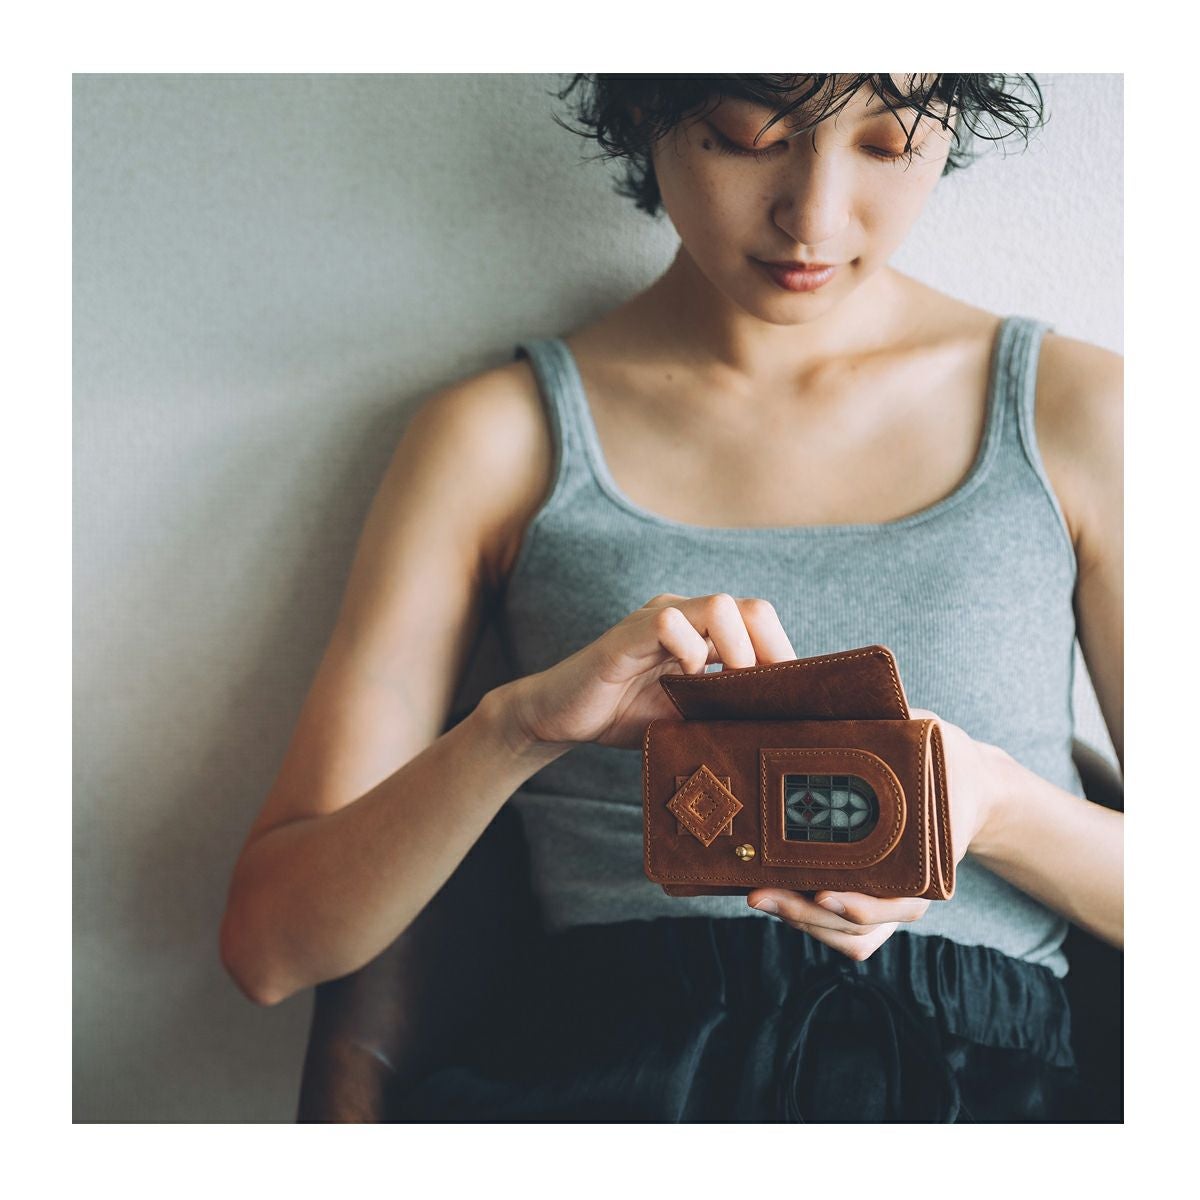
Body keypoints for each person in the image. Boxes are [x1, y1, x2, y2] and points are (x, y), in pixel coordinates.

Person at [218, 74, 1123, 1122]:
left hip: (991, 1091)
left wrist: (995, 806)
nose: (814, 217)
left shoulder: (1079, 415)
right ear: (648, 110)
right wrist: (515, 731)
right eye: (750, 139)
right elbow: (271, 949)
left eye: (888, 146)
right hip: (612, 1083)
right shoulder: (497, 440)